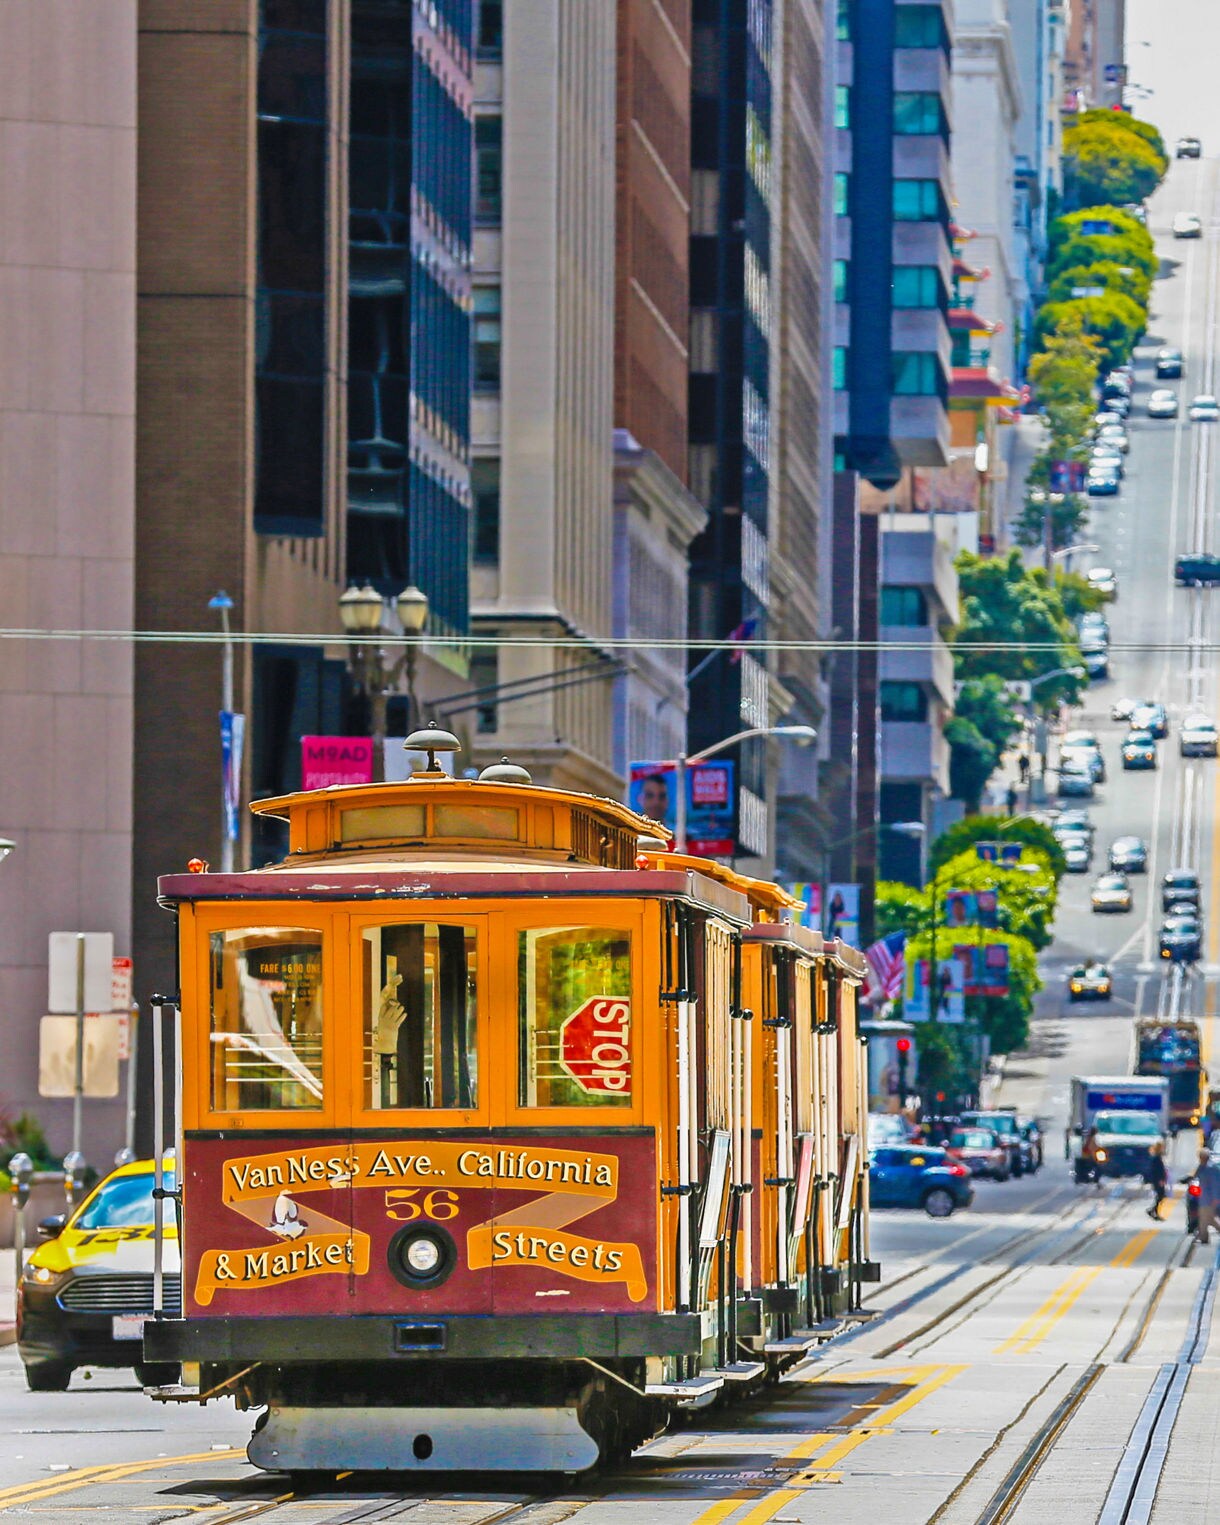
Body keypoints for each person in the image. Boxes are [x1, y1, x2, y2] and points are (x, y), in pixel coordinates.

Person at [1196, 1148, 1220, 1244]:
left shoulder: (1211, 1169)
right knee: (1208, 1218)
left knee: (1206, 1218)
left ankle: (1203, 1237)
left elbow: (1215, 1185)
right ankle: (1203, 1237)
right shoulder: (1202, 1167)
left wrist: (1215, 1198)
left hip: (1209, 1199)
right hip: (1203, 1198)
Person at [1144, 1140, 1168, 1220]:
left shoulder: (1158, 1157)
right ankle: (1153, 1210)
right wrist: (1160, 1180)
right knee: (1160, 1195)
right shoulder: (1156, 1158)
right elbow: (1157, 1170)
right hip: (1157, 1180)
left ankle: (1153, 1210)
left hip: (1158, 1180)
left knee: (1160, 1196)